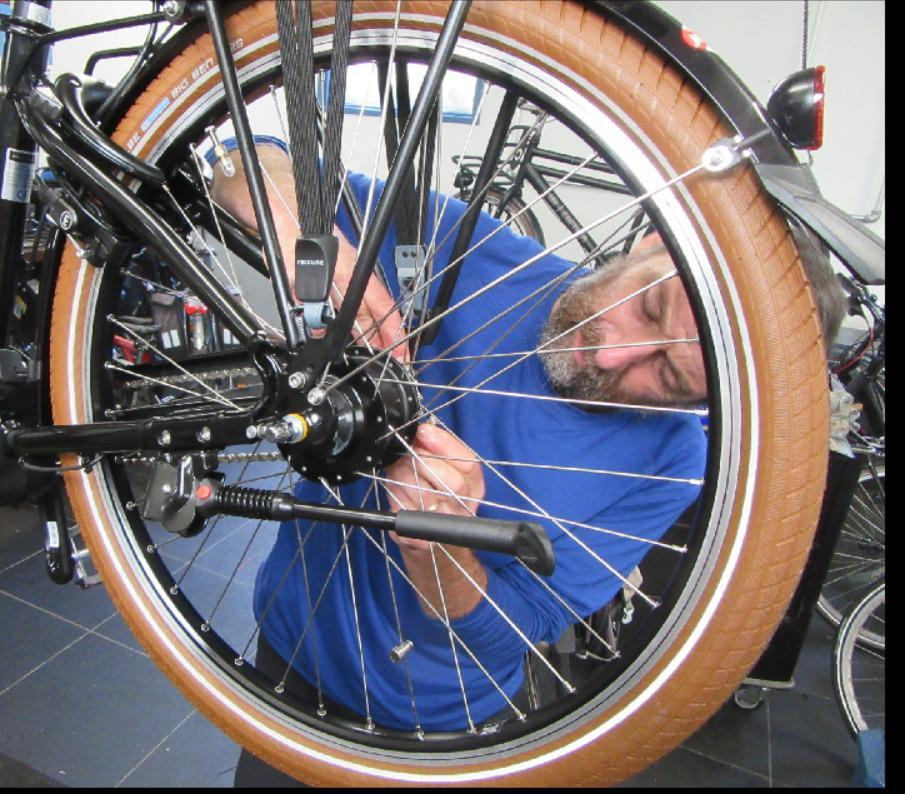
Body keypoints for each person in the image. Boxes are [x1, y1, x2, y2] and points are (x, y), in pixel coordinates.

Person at [207, 139, 840, 784]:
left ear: (705, 402)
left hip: (430, 726)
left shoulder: (671, 464)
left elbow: (521, 628)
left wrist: (443, 549)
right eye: (648, 307)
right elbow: (242, 161)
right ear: (652, 241)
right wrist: (306, 242)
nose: (614, 356)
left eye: (669, 378)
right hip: (285, 646)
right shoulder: (477, 255)